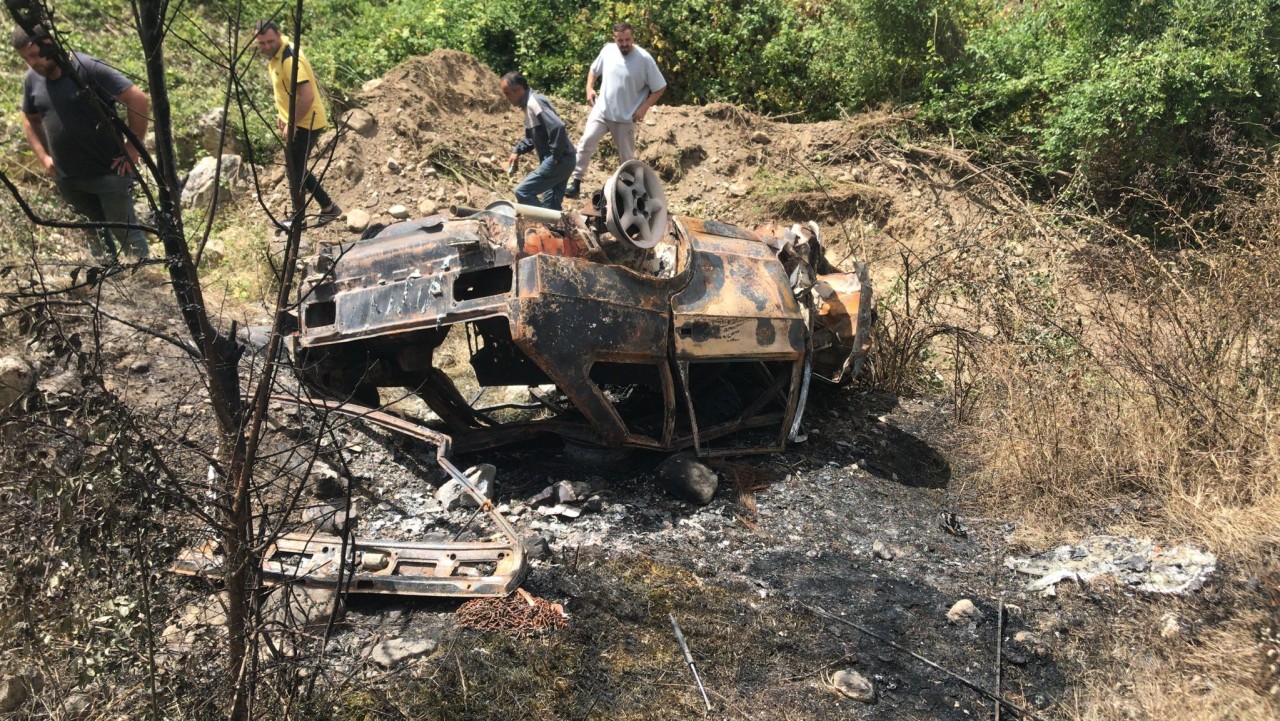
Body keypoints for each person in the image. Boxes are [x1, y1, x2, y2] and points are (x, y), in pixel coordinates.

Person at [15, 26, 151, 261]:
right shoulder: (33, 79)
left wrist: (133, 146)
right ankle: (108, 286)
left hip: (109, 172)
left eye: (35, 55)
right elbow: (30, 118)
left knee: (126, 233)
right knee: (95, 238)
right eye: (25, 58)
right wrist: (44, 158)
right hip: (69, 178)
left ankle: (148, 282)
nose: (31, 63)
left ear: (49, 42)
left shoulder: (86, 68)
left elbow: (136, 97)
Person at [254, 20, 341, 227]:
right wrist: (283, 116)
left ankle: (301, 216)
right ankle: (327, 208)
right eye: (261, 43)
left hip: (307, 121)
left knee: (294, 169)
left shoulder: (289, 59)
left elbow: (307, 96)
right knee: (296, 168)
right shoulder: (276, 55)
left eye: (270, 41)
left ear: (279, 34)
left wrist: (292, 122)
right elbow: (287, 92)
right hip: (298, 119)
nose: (266, 46)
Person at [565, 22, 666, 200]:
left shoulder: (644, 59)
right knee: (585, 143)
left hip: (626, 117)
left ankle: (628, 194)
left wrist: (644, 107)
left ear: (633, 37)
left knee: (626, 159)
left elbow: (660, 87)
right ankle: (576, 182)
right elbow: (593, 71)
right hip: (602, 111)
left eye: (627, 39)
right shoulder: (608, 51)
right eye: (621, 40)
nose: (624, 44)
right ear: (615, 39)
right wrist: (589, 88)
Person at [501, 71, 576, 211]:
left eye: (507, 93)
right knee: (551, 208)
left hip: (559, 159)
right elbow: (531, 138)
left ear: (518, 90)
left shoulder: (534, 102)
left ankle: (545, 226)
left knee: (522, 192)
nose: (506, 98)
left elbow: (558, 126)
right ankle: (556, 230)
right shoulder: (528, 105)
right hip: (564, 159)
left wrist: (555, 156)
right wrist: (517, 150)